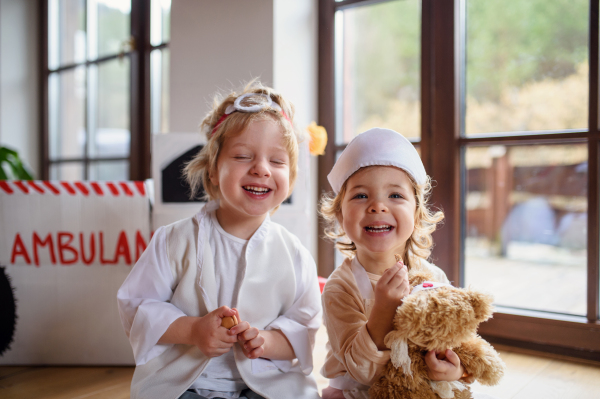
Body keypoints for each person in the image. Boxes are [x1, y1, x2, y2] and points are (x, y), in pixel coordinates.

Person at [117, 82, 322, 399]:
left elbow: (303, 329)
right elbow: (137, 307)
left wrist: (265, 341)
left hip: (266, 386)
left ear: (291, 178)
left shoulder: (294, 254)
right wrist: (193, 330)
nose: (261, 169)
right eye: (243, 156)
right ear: (213, 169)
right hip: (185, 384)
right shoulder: (173, 241)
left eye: (277, 161)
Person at [319, 128, 471, 399]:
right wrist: (383, 310)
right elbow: (361, 371)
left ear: (417, 212)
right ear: (341, 216)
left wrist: (453, 370)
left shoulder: (433, 277)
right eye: (361, 195)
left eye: (396, 196)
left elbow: (457, 344)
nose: (378, 206)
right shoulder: (340, 288)